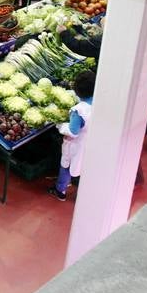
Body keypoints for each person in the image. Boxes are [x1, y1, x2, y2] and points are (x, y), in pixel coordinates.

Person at [50, 70, 95, 201]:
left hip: (75, 145)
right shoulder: (97, 102)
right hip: (89, 141)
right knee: (83, 165)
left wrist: (60, 125)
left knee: (66, 165)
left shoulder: (78, 110)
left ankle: (60, 191)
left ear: (76, 91)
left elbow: (73, 132)